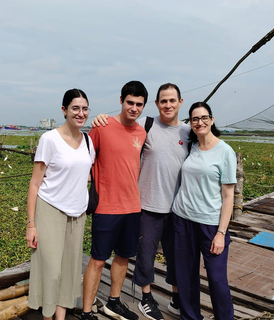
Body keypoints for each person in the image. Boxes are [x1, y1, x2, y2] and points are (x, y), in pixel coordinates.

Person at [92, 83, 190, 320]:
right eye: (163, 101)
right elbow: (121, 123)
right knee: (145, 255)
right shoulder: (146, 124)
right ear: (156, 104)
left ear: (180, 102)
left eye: (172, 100)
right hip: (146, 204)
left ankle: (177, 299)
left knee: (177, 255)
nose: (168, 105)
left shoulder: (189, 132)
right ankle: (146, 298)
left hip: (177, 207)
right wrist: (100, 117)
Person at [81, 80, 148, 320]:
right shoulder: (102, 125)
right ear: (121, 101)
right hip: (106, 206)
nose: (134, 108)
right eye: (130, 102)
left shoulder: (142, 132)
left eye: (139, 104)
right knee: (98, 259)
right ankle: (87, 312)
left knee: (123, 256)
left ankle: (114, 301)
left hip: (132, 206)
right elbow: (84, 159)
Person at [26, 89, 95, 320]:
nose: (80, 113)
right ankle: (47, 316)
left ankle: (61, 317)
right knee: (52, 271)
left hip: (78, 213)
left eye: (85, 109)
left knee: (69, 270)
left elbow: (84, 173)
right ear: (64, 110)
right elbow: (35, 184)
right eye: (75, 108)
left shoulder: (87, 141)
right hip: (50, 210)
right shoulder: (50, 139)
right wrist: (31, 224)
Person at [171, 102, 236, 320]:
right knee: (186, 277)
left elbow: (228, 197)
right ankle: (190, 317)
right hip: (182, 219)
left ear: (212, 119)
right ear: (191, 123)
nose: (200, 122)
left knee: (217, 280)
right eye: (195, 119)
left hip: (210, 224)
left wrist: (221, 232)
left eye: (204, 117)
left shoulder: (225, 151)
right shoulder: (191, 146)